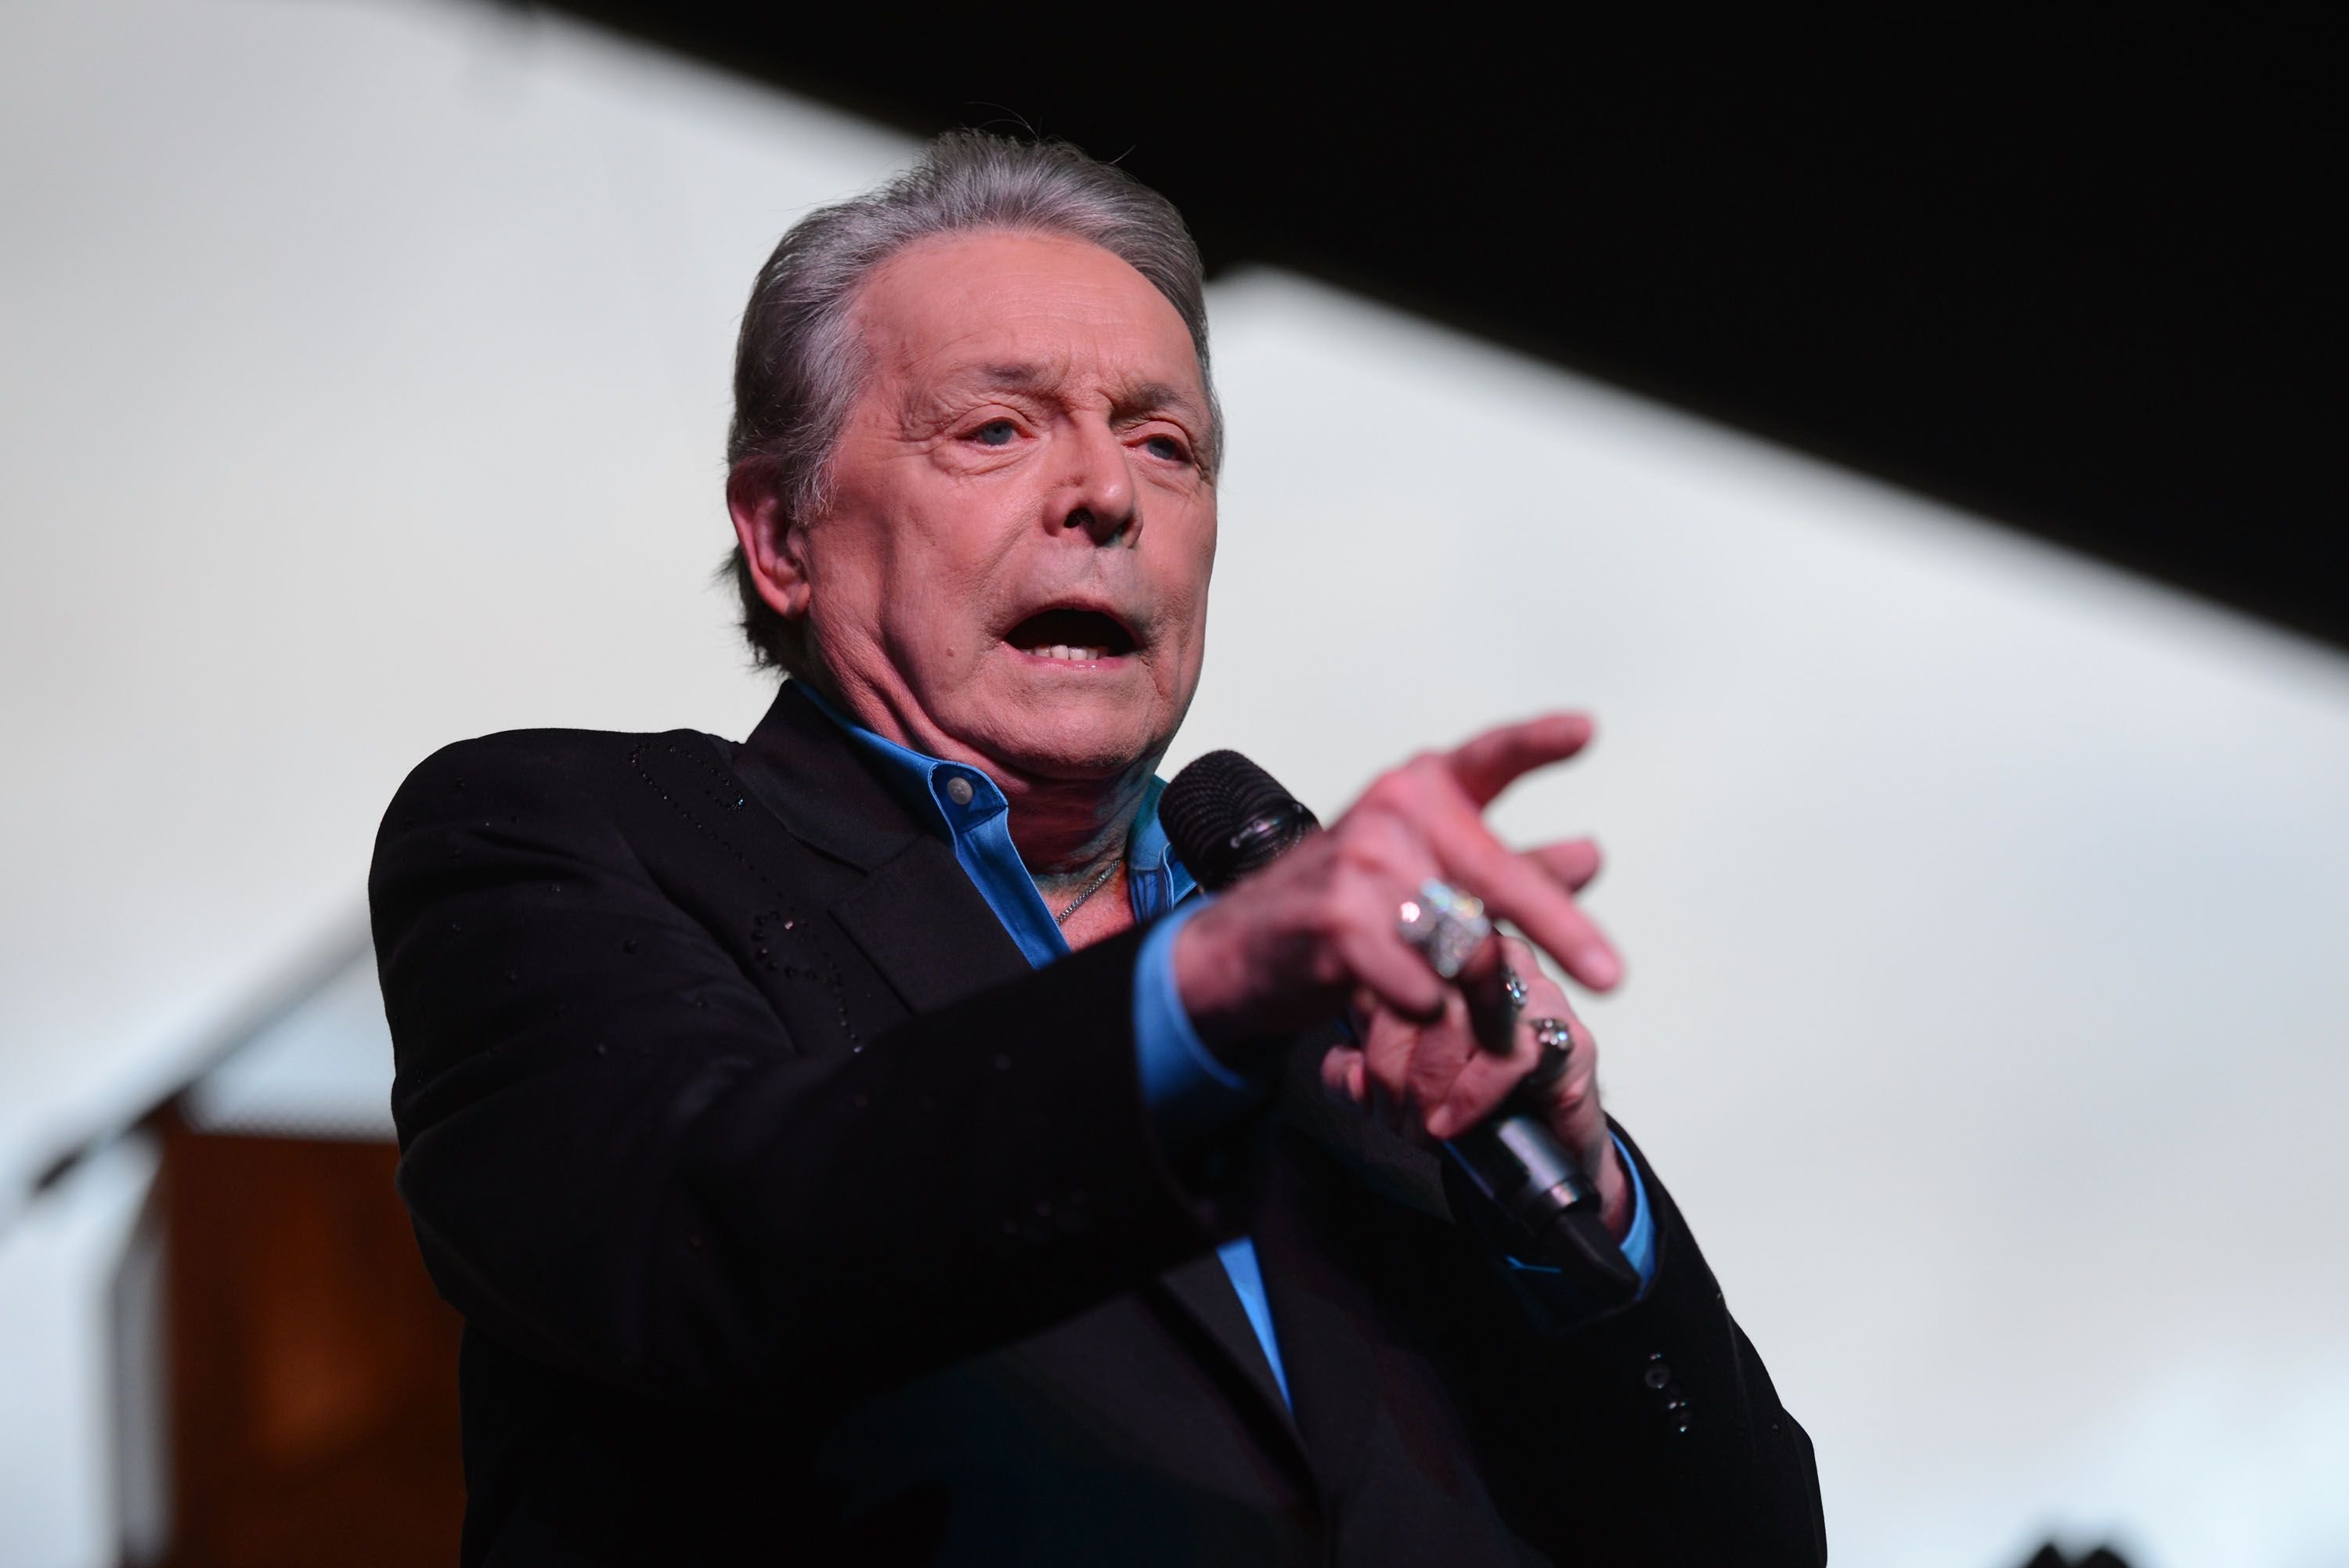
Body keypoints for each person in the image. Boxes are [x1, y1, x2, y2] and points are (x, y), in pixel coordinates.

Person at [371, 131, 1826, 1566]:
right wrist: (1199, 995)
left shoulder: (1367, 1007)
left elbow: (1753, 1545)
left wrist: (1566, 1202)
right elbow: (711, 1245)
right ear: (781, 534)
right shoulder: (555, 840)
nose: (1109, 496)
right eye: (998, 429)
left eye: (1163, 443)